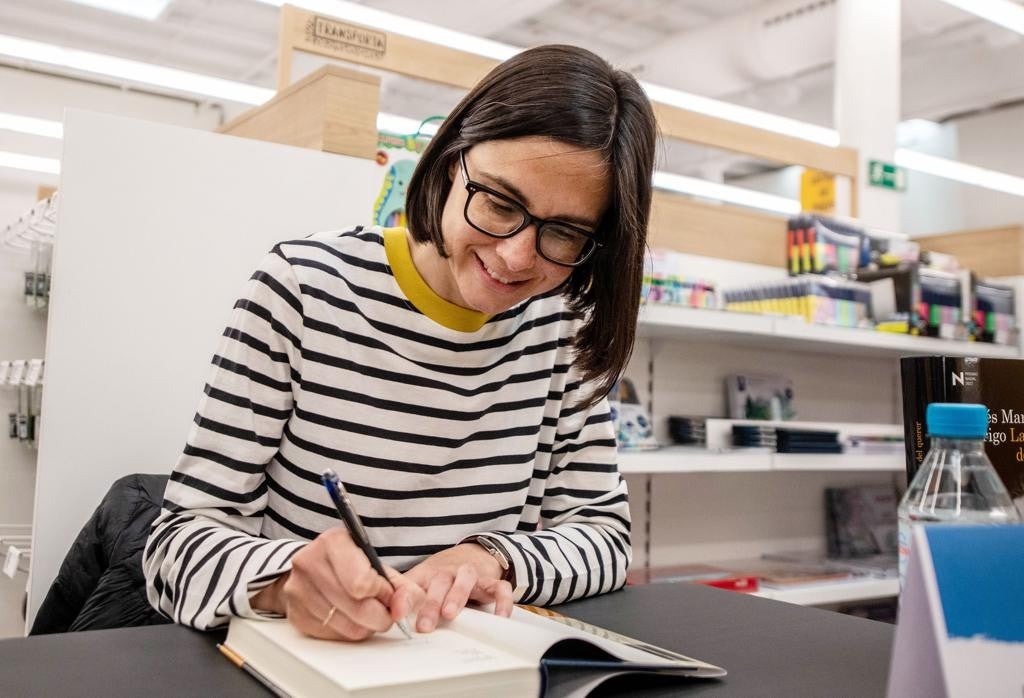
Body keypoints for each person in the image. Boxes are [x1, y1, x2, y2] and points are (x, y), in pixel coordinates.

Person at [143, 44, 657, 641]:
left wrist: (489, 556)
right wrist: (283, 582)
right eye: (498, 202)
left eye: (565, 233)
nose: (516, 255)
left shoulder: (564, 328)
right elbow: (176, 546)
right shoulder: (304, 289)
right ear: (446, 164)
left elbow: (604, 536)